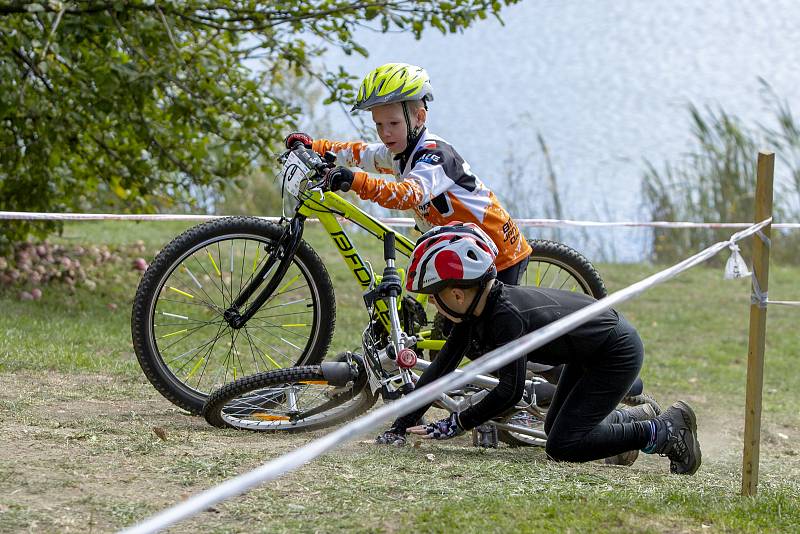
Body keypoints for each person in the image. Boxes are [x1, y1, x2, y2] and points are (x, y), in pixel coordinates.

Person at [375, 222, 702, 475]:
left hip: (614, 352)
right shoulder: (478, 312)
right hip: (590, 351)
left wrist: (456, 423)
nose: (432, 303)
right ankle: (632, 420)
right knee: (553, 429)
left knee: (563, 445)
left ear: (458, 294)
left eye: (433, 296)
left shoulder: (506, 318)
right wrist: (400, 426)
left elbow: (510, 391)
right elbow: (440, 371)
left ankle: (662, 431)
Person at [284, 62, 532, 286]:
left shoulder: (435, 157)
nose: (385, 133)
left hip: (497, 253)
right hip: (460, 249)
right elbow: (358, 153)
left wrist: (353, 180)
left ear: (419, 118)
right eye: (379, 125)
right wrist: (314, 147)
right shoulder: (399, 151)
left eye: (393, 124)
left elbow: (407, 196)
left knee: (486, 334)